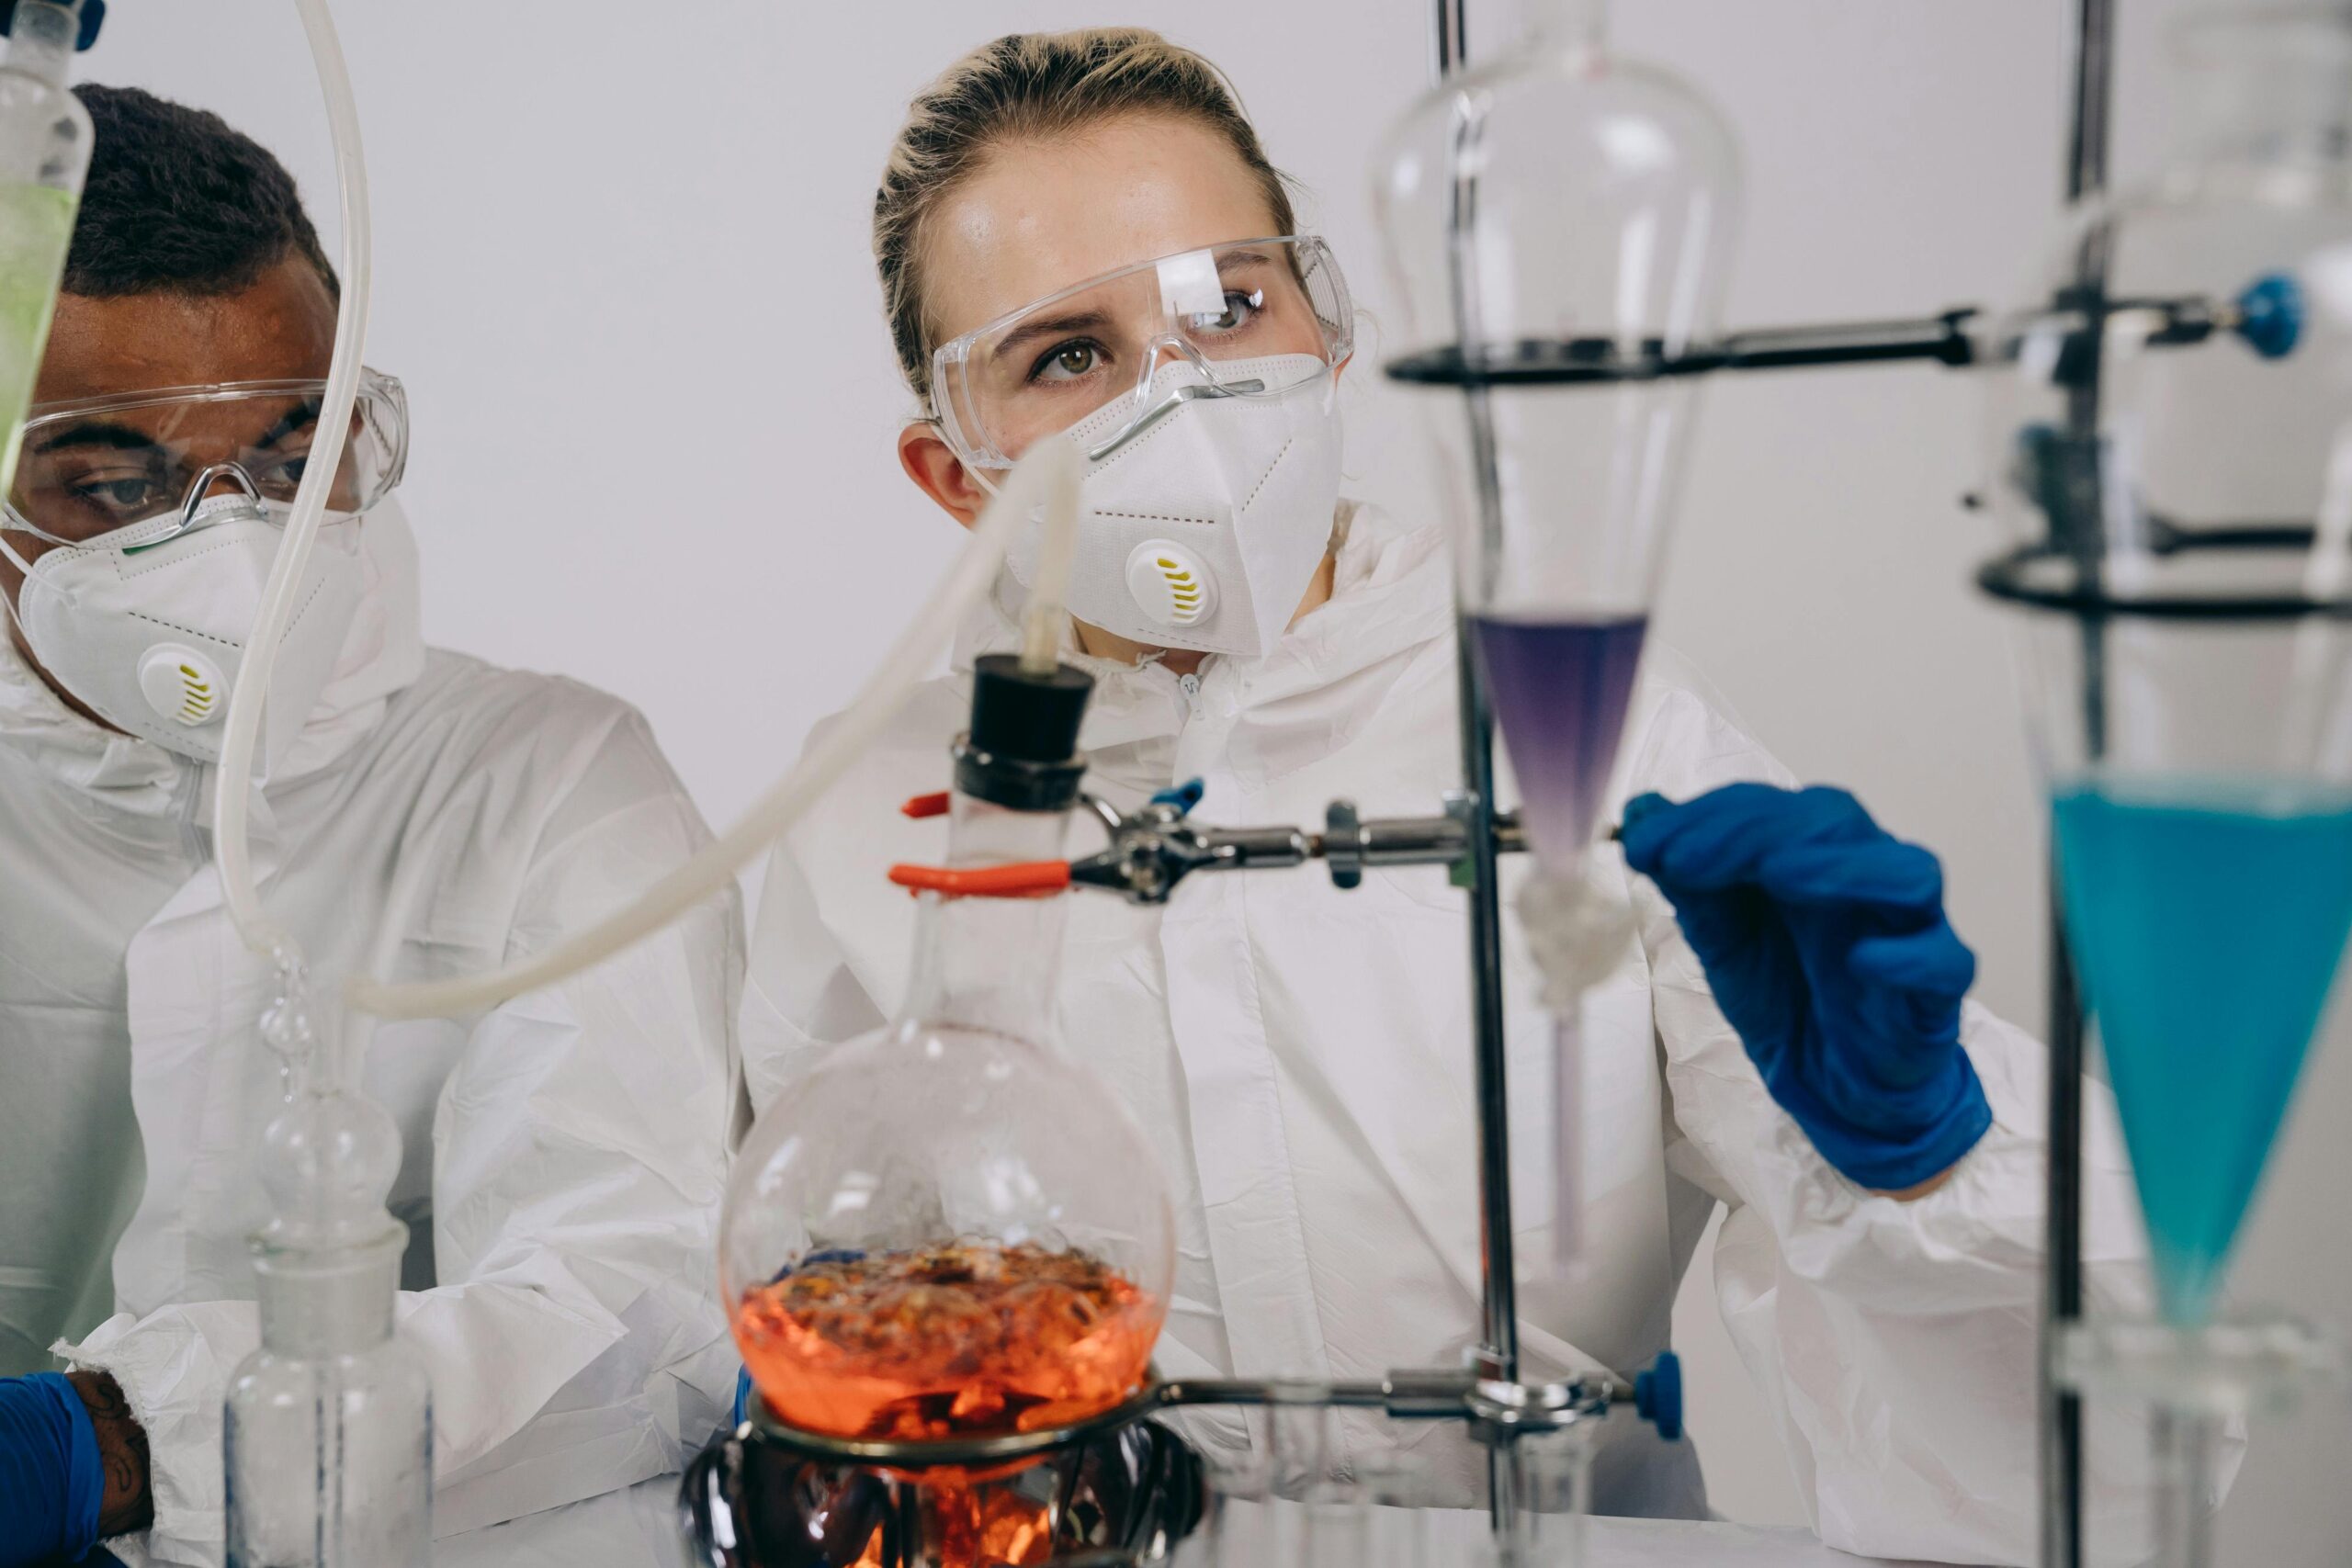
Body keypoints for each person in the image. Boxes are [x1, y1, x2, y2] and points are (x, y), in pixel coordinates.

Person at [740, 29, 2177, 1566]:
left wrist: (1920, 1157)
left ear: (1327, 326)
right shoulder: (866, 823)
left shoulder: (1579, 724)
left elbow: (2068, 1456)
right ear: (958, 473)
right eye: (1069, 355)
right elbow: (815, 1362)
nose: (1185, 397)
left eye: (1229, 305)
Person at [0, 86, 741, 1563]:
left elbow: (632, 1330)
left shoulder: (548, 783)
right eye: (114, 485)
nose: (238, 551)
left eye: (295, 458)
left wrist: (108, 1444)